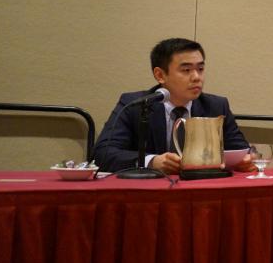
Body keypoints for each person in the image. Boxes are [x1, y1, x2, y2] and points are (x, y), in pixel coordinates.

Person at [94, 38, 253, 174]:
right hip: (153, 192)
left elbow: (243, 150)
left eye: (200, 69)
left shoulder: (216, 106)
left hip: (201, 188)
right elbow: (103, 153)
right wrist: (151, 161)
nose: (196, 77)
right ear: (160, 75)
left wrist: (247, 159)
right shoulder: (136, 105)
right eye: (186, 70)